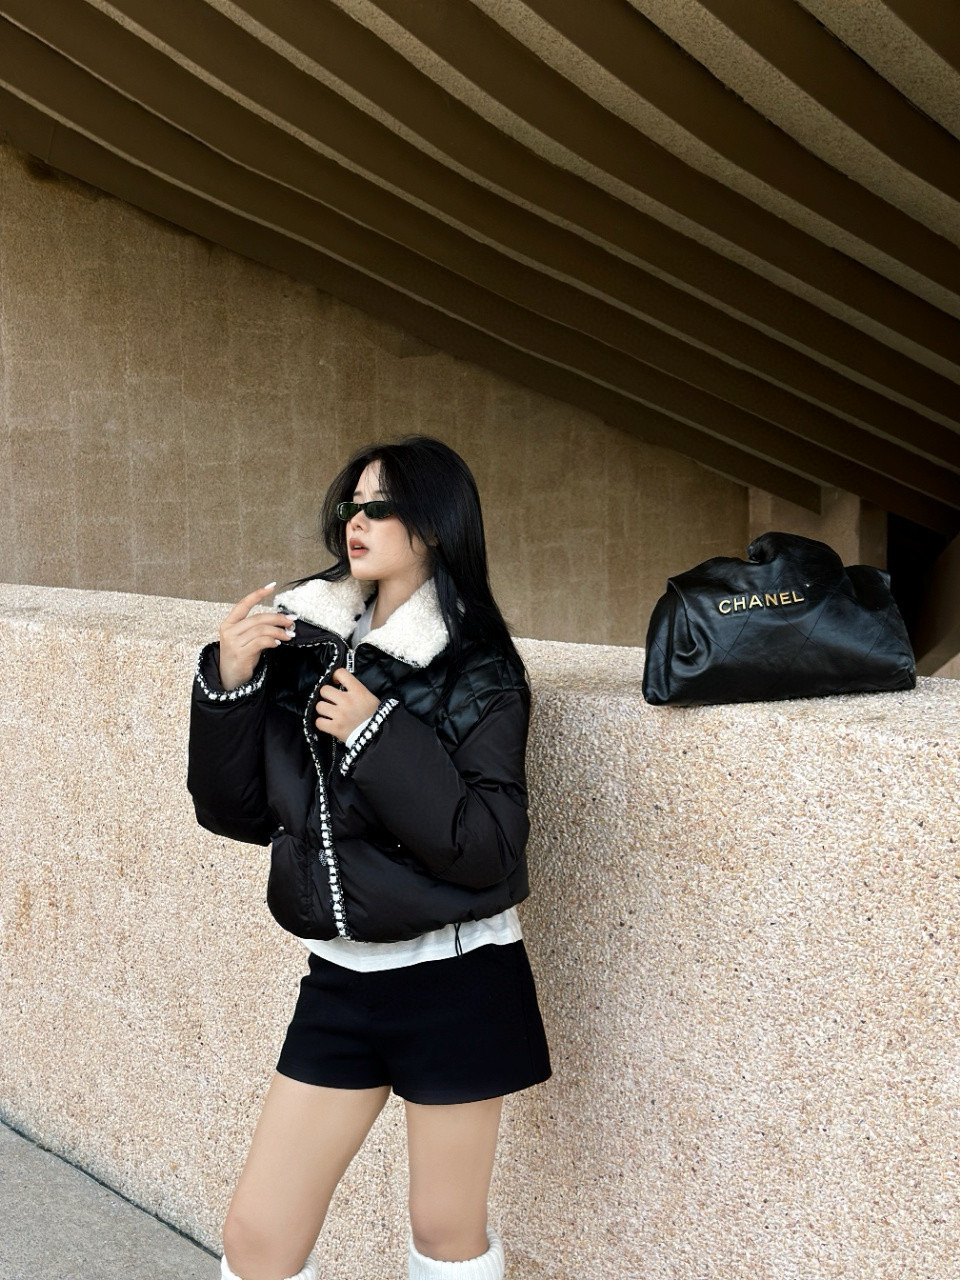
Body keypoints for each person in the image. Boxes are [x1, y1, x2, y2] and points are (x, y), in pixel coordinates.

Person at [188, 436, 551, 1280]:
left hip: (457, 981)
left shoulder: (479, 666)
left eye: (382, 506)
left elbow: (488, 847)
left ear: (435, 524)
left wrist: (376, 734)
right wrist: (233, 682)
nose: (358, 520)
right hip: (341, 983)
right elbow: (236, 813)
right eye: (353, 504)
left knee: (444, 1230)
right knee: (257, 1238)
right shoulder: (303, 644)